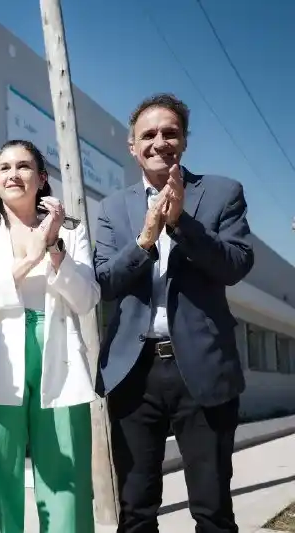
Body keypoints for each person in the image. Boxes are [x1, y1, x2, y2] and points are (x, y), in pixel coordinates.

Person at [94, 93, 254, 533]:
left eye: (170, 132)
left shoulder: (223, 193)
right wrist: (146, 240)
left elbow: (236, 265)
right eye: (149, 134)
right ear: (133, 146)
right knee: (137, 509)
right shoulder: (111, 208)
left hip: (202, 368)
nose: (159, 141)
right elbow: (105, 281)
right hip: (133, 372)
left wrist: (182, 224)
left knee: (213, 509)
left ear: (183, 141)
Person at [0, 139, 100, 533]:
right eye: (4, 168)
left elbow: (87, 298)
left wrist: (53, 246)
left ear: (42, 178)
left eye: (23, 167)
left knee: (66, 479)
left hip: (60, 357)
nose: (13, 175)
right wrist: (30, 257)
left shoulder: (72, 233)